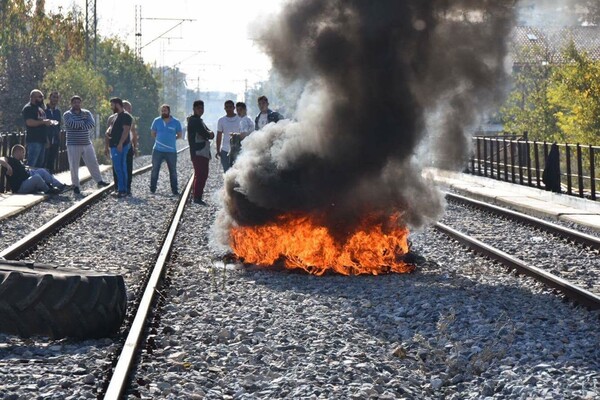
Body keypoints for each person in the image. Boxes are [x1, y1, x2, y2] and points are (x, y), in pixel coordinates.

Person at [63, 95, 109, 195]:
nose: (77, 104)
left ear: (81, 103)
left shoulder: (87, 113)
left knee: (93, 162)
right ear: (71, 103)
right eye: (74, 102)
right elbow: (72, 124)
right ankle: (75, 185)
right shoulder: (67, 114)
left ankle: (99, 181)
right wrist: (83, 123)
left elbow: (92, 124)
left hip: (86, 142)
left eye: (78, 102)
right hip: (73, 143)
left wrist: (80, 124)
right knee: (74, 165)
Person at [0, 144, 66, 195]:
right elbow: (1, 159)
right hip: (19, 187)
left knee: (42, 171)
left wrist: (39, 169)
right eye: (23, 152)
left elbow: (27, 168)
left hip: (26, 179)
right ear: (18, 151)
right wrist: (8, 166)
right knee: (36, 178)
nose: (24, 155)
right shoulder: (10, 159)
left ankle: (60, 186)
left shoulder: (20, 162)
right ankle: (48, 190)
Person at [107, 100, 138, 195]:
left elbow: (127, 131)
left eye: (112, 105)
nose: (111, 107)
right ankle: (120, 188)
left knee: (123, 167)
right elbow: (110, 128)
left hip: (122, 145)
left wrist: (121, 143)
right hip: (115, 145)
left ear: (117, 105)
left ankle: (123, 189)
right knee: (117, 167)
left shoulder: (126, 116)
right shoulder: (114, 117)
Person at [150, 104, 182, 195]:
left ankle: (174, 190)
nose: (163, 112)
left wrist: (171, 139)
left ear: (169, 111)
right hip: (157, 150)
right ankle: (152, 188)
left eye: (165, 110)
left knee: (173, 171)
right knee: (155, 169)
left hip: (171, 151)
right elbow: (153, 133)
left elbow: (179, 135)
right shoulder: (156, 121)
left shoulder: (176, 122)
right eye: (162, 110)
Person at [187, 100, 214, 205]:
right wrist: (210, 134)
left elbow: (208, 132)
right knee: (201, 174)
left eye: (202, 108)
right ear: (194, 109)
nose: (200, 110)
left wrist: (209, 133)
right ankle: (197, 197)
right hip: (199, 151)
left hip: (200, 151)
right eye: (198, 108)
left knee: (202, 174)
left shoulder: (198, 120)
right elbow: (207, 134)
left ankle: (197, 196)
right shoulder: (195, 121)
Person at [22, 89, 55, 168]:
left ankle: (38, 179)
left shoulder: (40, 108)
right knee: (32, 163)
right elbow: (29, 122)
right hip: (34, 140)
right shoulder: (28, 108)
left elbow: (42, 123)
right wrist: (43, 122)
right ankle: (29, 179)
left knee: (40, 164)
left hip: (42, 140)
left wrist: (46, 139)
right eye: (40, 97)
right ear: (33, 97)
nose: (42, 99)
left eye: (42, 97)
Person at [215, 100, 240, 173]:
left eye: (230, 107)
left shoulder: (239, 119)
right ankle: (229, 184)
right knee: (227, 172)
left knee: (238, 172)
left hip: (238, 150)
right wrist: (218, 150)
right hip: (225, 150)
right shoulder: (221, 120)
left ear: (234, 108)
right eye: (227, 107)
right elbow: (219, 135)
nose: (228, 109)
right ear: (224, 108)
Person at [228, 101, 255, 167]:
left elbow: (244, 135)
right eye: (237, 110)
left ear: (245, 110)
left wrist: (234, 135)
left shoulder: (244, 121)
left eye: (240, 110)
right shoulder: (248, 119)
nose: (238, 112)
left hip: (245, 147)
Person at [44, 91, 62, 173]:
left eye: (57, 97)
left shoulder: (58, 112)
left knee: (51, 161)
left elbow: (58, 126)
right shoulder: (44, 110)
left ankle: (49, 181)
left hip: (55, 140)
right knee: (44, 161)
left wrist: (59, 139)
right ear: (49, 97)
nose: (55, 99)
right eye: (54, 97)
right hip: (46, 139)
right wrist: (46, 139)